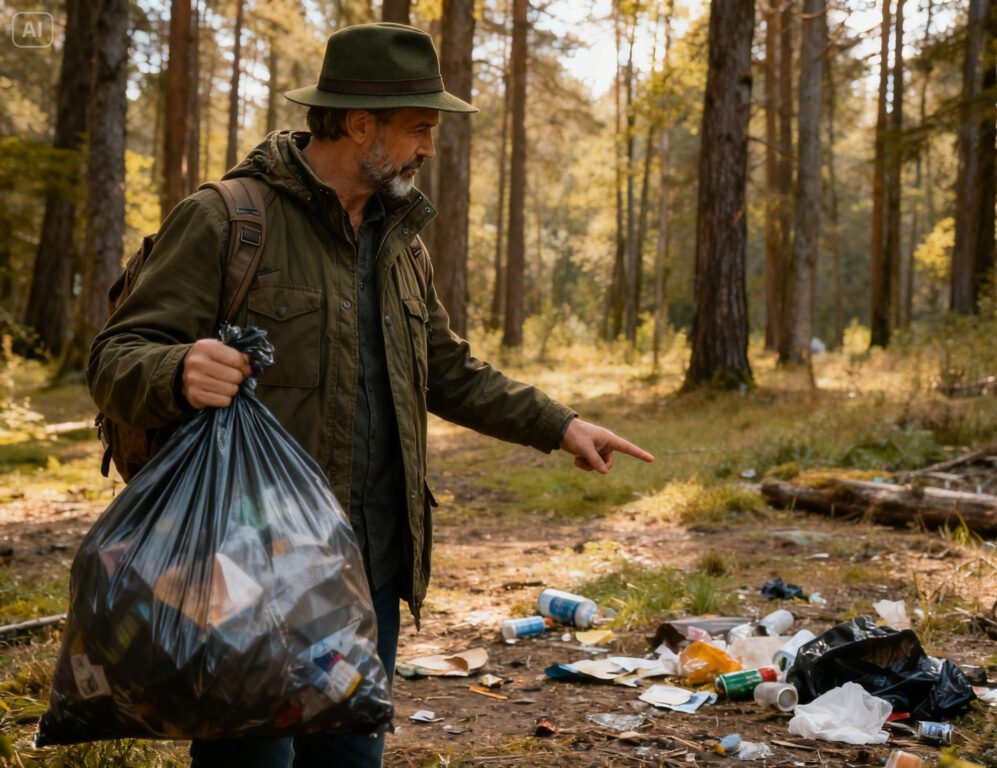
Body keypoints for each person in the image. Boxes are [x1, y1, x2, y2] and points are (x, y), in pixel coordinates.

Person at [88, 21, 652, 768]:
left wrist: (561, 425)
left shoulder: (400, 241)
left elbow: (446, 369)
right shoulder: (228, 218)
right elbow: (114, 357)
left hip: (369, 562)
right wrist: (177, 370)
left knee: (351, 761)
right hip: (249, 567)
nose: (430, 148)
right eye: (419, 128)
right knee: (254, 763)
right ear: (360, 125)